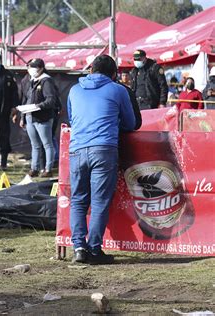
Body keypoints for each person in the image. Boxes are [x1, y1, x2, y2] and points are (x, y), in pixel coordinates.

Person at [67, 55, 136, 264]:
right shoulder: (118, 90)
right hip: (104, 149)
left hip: (77, 149)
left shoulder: (74, 90)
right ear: (114, 74)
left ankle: (78, 247)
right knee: (99, 202)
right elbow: (131, 123)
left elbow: (71, 119)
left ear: (90, 70)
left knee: (78, 200)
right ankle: (95, 249)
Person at [19, 58, 61, 177]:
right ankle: (34, 168)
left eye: (35, 67)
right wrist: (23, 116)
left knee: (47, 144)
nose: (32, 69)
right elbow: (26, 99)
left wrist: (38, 106)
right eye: (30, 66)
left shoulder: (46, 81)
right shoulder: (30, 80)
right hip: (30, 116)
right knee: (35, 144)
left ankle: (48, 169)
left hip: (43, 118)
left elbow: (51, 100)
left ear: (41, 68)